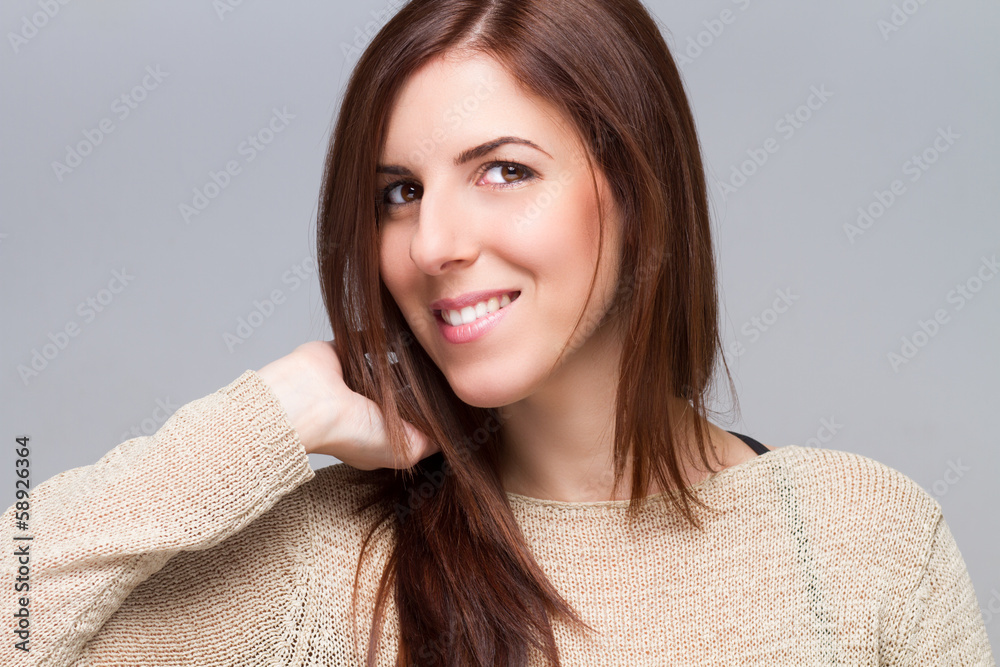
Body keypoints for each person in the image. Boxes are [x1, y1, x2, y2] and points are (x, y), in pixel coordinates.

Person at [3, 0, 995, 664]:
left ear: (636, 190)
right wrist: (268, 415)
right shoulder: (336, 561)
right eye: (398, 191)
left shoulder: (861, 540)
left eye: (503, 170)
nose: (431, 243)